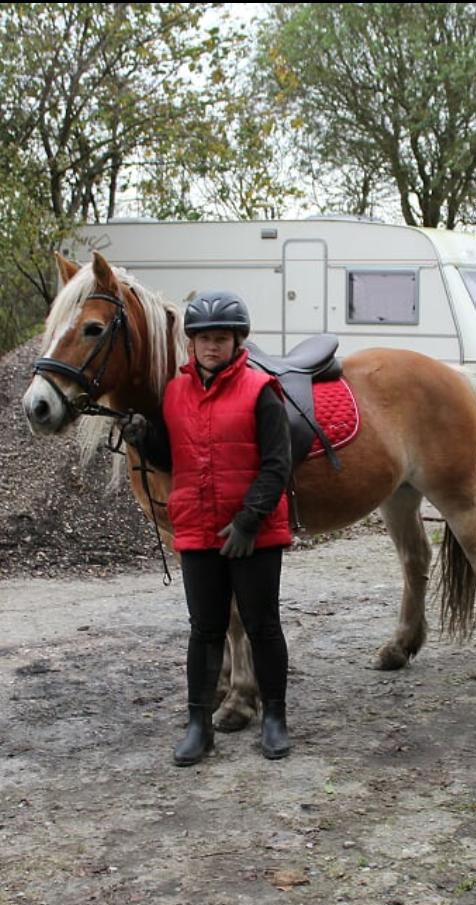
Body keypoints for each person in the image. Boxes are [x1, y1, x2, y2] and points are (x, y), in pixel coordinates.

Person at [123, 291, 292, 766]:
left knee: (262, 626)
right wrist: (145, 439)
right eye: (203, 339)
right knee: (205, 630)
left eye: (221, 338)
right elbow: (174, 458)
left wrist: (248, 521)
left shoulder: (262, 391)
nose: (212, 347)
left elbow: (278, 465)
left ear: (239, 342)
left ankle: (274, 717)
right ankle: (199, 725)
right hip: (197, 530)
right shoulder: (175, 393)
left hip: (252, 533)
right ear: (190, 344)